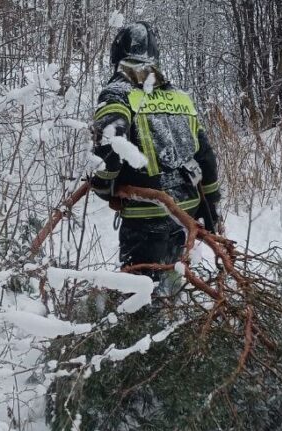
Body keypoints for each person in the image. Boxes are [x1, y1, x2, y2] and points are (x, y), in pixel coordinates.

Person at [90, 22, 221, 289]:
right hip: (184, 214)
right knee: (170, 290)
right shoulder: (179, 97)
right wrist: (211, 209)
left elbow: (109, 142)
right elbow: (206, 156)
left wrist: (104, 186)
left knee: (139, 301)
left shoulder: (118, 92)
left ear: (117, 55)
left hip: (145, 215)